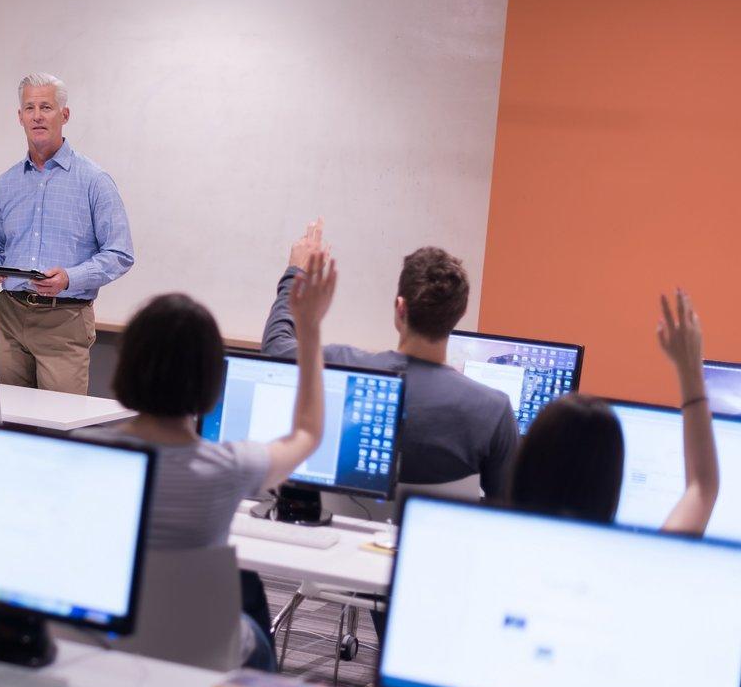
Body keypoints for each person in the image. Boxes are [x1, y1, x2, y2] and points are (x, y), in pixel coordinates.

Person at [80, 251, 337, 670]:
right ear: (213, 380)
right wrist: (308, 328)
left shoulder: (84, 454)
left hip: (100, 643)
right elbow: (307, 433)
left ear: (125, 365)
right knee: (250, 608)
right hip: (201, 651)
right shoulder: (230, 467)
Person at [264, 221, 518, 497]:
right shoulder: (494, 411)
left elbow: (276, 348)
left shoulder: (340, 366)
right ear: (460, 313)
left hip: (338, 523)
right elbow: (508, 505)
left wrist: (296, 273)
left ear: (400, 308)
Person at [0, 72, 134, 395]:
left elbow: (120, 253)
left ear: (65, 114)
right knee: (8, 416)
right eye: (29, 108)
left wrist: (70, 278)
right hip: (9, 317)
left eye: (46, 107)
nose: (37, 116)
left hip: (65, 318)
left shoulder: (94, 181)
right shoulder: (6, 183)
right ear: (20, 117)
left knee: (60, 421)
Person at [509, 289, 718, 534]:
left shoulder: (482, 539)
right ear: (612, 483)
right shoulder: (639, 557)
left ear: (522, 465)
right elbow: (702, 486)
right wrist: (689, 369)